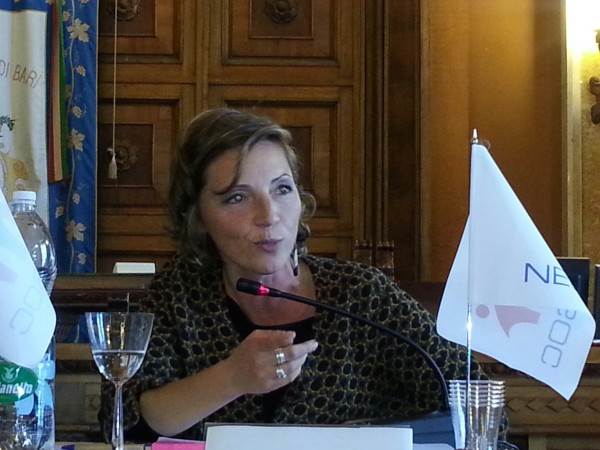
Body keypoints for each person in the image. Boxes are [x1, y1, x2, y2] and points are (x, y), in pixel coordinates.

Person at [99, 108, 500, 441]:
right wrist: (232, 378)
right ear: (198, 216)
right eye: (237, 197)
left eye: (282, 189)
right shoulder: (177, 294)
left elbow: (474, 401)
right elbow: (127, 418)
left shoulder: (361, 294)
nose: (269, 215)